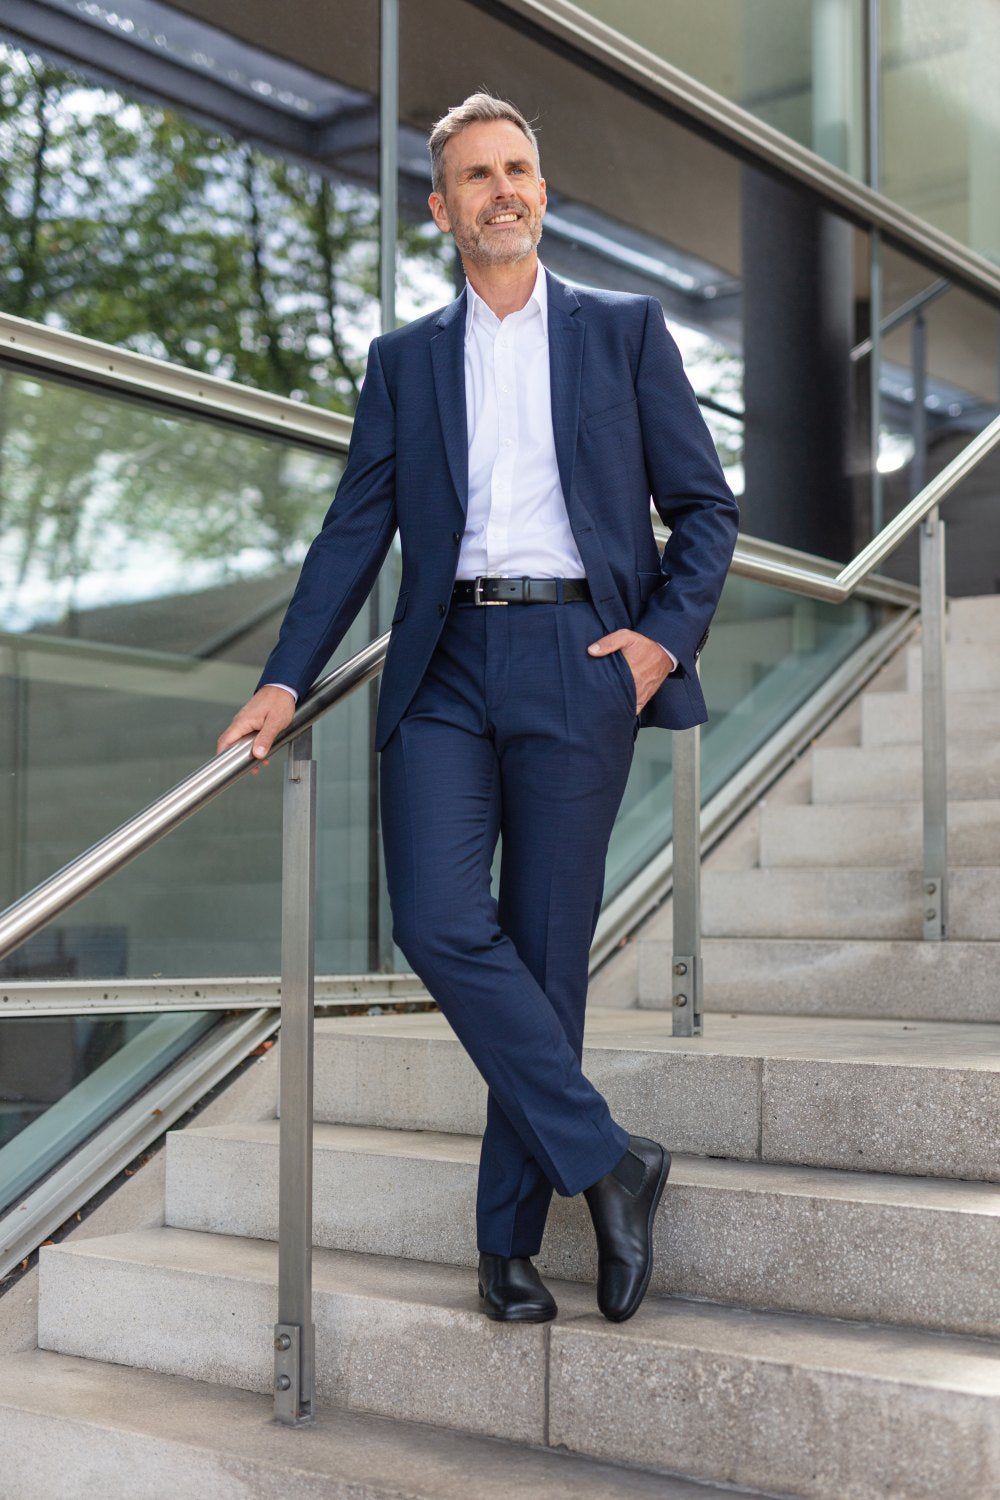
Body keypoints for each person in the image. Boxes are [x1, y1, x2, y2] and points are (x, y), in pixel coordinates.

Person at [218, 92, 739, 1326]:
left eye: (520, 168)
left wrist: (656, 649)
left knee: (546, 955)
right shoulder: (404, 364)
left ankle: (506, 1247)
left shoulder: (624, 331)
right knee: (441, 923)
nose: (504, 188)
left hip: (582, 653)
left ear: (541, 192)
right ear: (439, 209)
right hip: (444, 661)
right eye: (476, 175)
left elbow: (706, 510)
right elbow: (356, 531)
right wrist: (286, 677)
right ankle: (611, 1161)